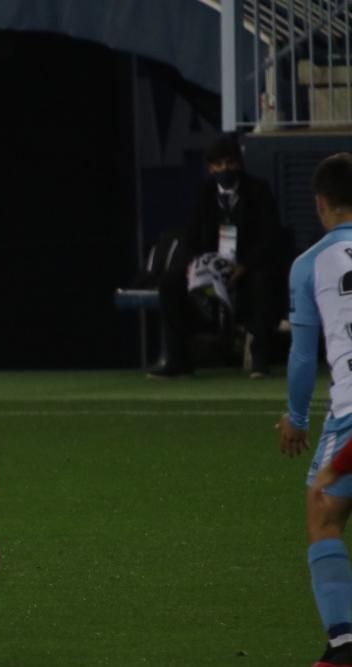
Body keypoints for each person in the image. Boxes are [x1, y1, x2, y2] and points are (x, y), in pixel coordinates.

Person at [278, 153, 352, 667]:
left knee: (323, 511)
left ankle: (343, 644)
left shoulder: (311, 263)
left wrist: (297, 419)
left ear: (321, 203)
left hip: (349, 413)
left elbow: (303, 356)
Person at [149, 133, 284, 379]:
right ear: (210, 167)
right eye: (218, 164)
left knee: (263, 279)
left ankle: (260, 359)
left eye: (230, 163)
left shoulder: (258, 190)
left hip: (247, 267)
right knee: (170, 283)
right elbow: (192, 237)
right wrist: (198, 265)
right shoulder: (204, 192)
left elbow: (270, 238)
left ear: (239, 163)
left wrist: (243, 266)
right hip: (212, 269)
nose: (224, 169)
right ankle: (178, 360)